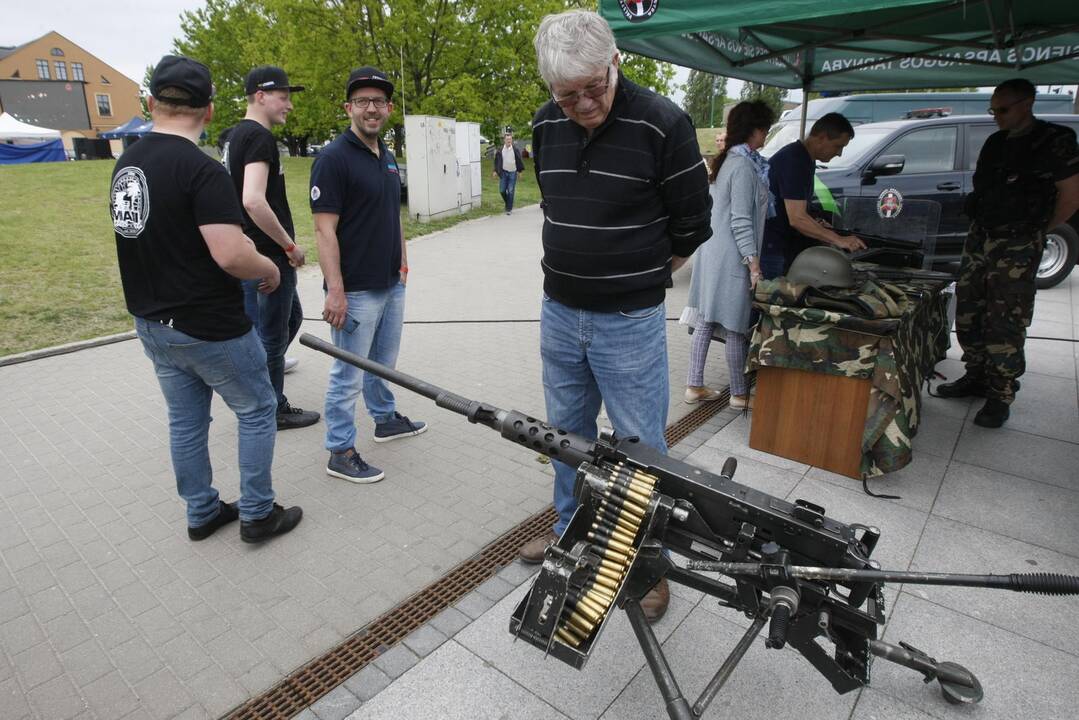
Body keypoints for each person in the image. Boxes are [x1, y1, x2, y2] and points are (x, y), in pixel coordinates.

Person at [518, 10, 712, 624]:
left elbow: (692, 226)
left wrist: (640, 277)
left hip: (628, 319)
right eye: (565, 94)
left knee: (640, 447)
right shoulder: (546, 124)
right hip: (559, 312)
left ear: (615, 62)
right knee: (564, 435)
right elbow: (555, 206)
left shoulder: (664, 123)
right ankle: (569, 534)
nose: (581, 105)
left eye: (592, 89)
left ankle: (643, 563)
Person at [110, 55, 302, 543]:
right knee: (258, 408)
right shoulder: (201, 169)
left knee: (186, 420)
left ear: (152, 103)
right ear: (210, 111)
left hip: (153, 323)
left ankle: (201, 511)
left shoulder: (127, 163)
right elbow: (231, 253)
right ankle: (258, 513)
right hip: (208, 323)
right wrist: (269, 269)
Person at [935, 78, 1079, 428]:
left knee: (1006, 319)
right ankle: (977, 374)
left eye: (1002, 109)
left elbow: (1071, 195)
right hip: (981, 238)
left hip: (1017, 243)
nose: (996, 116)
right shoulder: (996, 142)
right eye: (992, 109)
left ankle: (1000, 394)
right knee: (969, 310)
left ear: (1026, 104)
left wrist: (1036, 233)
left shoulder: (1055, 141)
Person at [311, 66, 428, 484]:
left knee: (384, 363)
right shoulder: (333, 158)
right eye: (363, 101)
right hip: (355, 290)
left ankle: (384, 418)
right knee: (348, 374)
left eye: (378, 102)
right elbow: (324, 230)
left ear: (389, 108)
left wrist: (403, 260)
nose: (371, 109)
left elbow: (392, 215)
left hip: (391, 281)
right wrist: (336, 291)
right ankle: (339, 450)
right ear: (349, 108)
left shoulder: (389, 157)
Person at [222, 65, 319, 431]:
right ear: (260, 96)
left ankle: (256, 384)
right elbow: (253, 200)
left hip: (253, 254)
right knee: (272, 337)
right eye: (284, 96)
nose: (289, 105)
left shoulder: (236, 137)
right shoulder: (259, 138)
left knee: (287, 322)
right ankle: (270, 407)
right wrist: (289, 245)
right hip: (269, 258)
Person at [685, 101, 776, 410]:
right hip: (731, 257)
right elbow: (741, 219)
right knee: (736, 326)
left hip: (714, 253)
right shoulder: (742, 166)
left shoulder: (729, 161)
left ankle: (694, 385)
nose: (766, 136)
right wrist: (753, 263)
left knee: (707, 321)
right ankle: (739, 394)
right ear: (756, 130)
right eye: (766, 130)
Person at [761, 113, 866, 279]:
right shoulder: (794, 160)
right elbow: (797, 218)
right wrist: (838, 240)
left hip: (782, 245)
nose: (839, 153)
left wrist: (816, 223)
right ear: (822, 137)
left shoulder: (805, 159)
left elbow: (798, 208)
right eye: (838, 146)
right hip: (771, 248)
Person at [493, 132, 525, 214]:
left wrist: (520, 172)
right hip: (503, 172)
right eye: (507, 139)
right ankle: (508, 203)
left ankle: (509, 209)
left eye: (510, 139)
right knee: (502, 190)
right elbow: (497, 161)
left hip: (512, 172)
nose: (509, 141)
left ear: (512, 140)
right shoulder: (500, 150)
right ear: (504, 140)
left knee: (510, 190)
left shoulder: (515, 149)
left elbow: (519, 161)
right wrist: (495, 171)